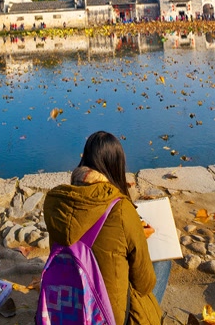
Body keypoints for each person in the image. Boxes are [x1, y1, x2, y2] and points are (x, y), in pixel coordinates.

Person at [44, 131, 169, 325]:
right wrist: (137, 236)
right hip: (106, 318)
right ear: (115, 166)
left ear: (84, 159)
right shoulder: (120, 209)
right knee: (162, 263)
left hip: (66, 311)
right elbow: (144, 284)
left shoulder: (57, 202)